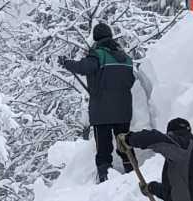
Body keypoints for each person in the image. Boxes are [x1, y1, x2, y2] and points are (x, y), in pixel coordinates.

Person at [58, 22, 137, 184]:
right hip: (123, 109)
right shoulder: (126, 58)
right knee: (125, 143)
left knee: (104, 148)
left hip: (102, 111)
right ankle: (133, 173)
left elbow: (83, 67)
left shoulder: (98, 55)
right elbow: (130, 80)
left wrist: (66, 63)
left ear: (96, 38)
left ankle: (105, 179)